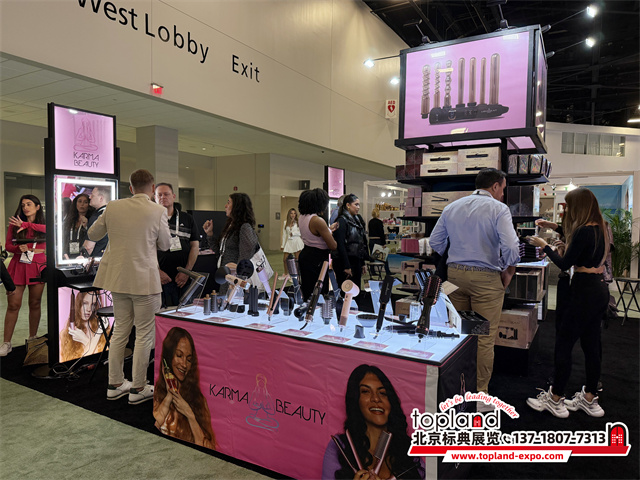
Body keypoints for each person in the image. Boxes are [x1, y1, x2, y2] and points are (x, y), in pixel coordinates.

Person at [429, 168, 520, 400]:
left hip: (455, 277)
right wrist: (509, 269)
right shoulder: (499, 209)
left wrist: (456, 256)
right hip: (486, 279)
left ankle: (456, 386)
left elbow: (435, 241)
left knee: (459, 333)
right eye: (503, 189)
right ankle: (479, 393)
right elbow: (511, 246)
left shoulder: (452, 207)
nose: (503, 194)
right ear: (495, 186)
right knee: (483, 338)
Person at [88, 169, 171, 404]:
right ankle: (138, 387)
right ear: (152, 188)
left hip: (118, 279)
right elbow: (165, 245)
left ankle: (115, 384)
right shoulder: (158, 210)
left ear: (131, 187)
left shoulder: (113, 207)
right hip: (145, 281)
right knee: (144, 333)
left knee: (121, 330)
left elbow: (93, 234)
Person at [526, 187, 609, 418]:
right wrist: (553, 227)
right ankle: (590, 397)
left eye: (569, 207)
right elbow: (576, 237)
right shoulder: (601, 227)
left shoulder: (582, 231)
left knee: (564, 344)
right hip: (599, 290)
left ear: (578, 207)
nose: (567, 211)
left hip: (582, 292)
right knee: (592, 346)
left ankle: (555, 398)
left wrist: (544, 246)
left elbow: (564, 263)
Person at [322, 364, 424, 480]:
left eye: (382, 393)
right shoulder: (340, 447)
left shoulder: (409, 450)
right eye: (366, 391)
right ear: (355, 400)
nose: (376, 399)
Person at [153, 327, 216, 449]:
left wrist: (190, 414)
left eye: (189, 359)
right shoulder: (159, 392)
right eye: (179, 355)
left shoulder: (199, 401)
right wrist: (169, 396)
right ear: (169, 356)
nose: (184, 364)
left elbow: (209, 448)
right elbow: (153, 429)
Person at [1, 195, 47, 357]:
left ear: (37, 207)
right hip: (18, 265)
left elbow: (49, 232)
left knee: (35, 303)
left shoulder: (42, 224)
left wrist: (26, 225)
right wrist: (17, 248)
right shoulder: (15, 224)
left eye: (29, 204)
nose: (25, 207)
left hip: (37, 265)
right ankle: (6, 343)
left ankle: (33, 339)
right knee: (13, 304)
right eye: (23, 205)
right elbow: (8, 245)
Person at [202, 193, 259, 293]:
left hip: (235, 282)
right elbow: (220, 252)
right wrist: (210, 234)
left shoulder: (244, 227)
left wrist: (237, 281)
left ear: (237, 206)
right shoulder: (231, 226)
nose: (225, 206)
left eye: (229, 202)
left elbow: (245, 260)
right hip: (227, 277)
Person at [155, 183, 201, 307]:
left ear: (173, 196)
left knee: (185, 312)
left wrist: (187, 271)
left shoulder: (187, 219)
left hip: (183, 278)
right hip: (159, 278)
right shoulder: (150, 219)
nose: (163, 197)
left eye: (166, 194)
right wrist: (156, 272)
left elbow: (195, 247)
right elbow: (145, 250)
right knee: (161, 314)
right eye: (159, 195)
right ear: (154, 198)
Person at [298, 188, 338, 301]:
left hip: (306, 253)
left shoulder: (302, 217)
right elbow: (333, 245)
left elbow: (314, 234)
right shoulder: (317, 220)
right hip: (317, 258)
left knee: (307, 289)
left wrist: (328, 230)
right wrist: (330, 234)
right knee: (318, 291)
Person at [333, 194, 369, 308]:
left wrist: (362, 263)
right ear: (348, 205)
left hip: (355, 260)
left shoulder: (357, 220)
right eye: (356, 204)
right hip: (345, 262)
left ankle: (354, 313)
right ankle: (343, 315)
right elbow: (340, 245)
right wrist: (346, 266)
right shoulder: (341, 221)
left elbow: (360, 243)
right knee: (346, 293)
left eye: (359, 205)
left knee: (356, 292)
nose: (358, 207)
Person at [59, 291, 108, 362]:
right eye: (85, 303)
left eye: (93, 304)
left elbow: (100, 358)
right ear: (78, 304)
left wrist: (85, 340)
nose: (89, 309)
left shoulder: (102, 328)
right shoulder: (65, 334)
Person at [62, 193, 95, 259]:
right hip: (68, 254)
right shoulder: (69, 219)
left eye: (85, 202)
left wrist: (86, 226)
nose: (82, 204)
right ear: (75, 203)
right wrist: (64, 253)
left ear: (89, 205)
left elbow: (92, 237)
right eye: (79, 201)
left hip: (83, 255)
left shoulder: (91, 220)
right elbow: (64, 237)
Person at [83, 185, 112, 257]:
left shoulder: (97, 217)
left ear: (101, 198)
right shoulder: (113, 214)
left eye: (92, 195)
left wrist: (80, 257)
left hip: (97, 259)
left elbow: (88, 247)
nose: (90, 197)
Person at [281, 208, 304, 275]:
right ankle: (286, 274)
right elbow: (284, 234)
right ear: (289, 214)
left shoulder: (298, 222)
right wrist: (282, 245)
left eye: (294, 213)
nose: (293, 215)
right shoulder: (285, 222)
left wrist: (294, 233)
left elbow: (301, 232)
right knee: (285, 259)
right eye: (291, 213)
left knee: (297, 259)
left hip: (297, 241)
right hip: (289, 242)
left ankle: (296, 274)